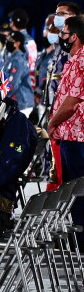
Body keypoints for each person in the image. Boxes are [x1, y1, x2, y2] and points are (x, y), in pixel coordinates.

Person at [47, 16, 84, 234]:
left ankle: (81, 237)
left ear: (75, 36)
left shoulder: (80, 61)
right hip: (70, 134)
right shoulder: (73, 59)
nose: (61, 37)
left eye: (64, 33)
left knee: (78, 190)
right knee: (73, 189)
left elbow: (71, 103)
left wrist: (52, 123)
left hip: (77, 136)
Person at [2, 31, 34, 113]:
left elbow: (13, 84)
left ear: (18, 44)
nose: (8, 41)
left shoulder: (18, 60)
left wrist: (1, 96)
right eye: (8, 39)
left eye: (11, 40)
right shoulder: (11, 58)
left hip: (22, 103)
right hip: (16, 102)